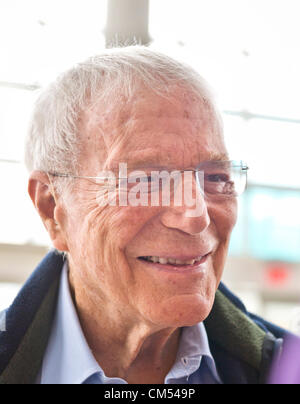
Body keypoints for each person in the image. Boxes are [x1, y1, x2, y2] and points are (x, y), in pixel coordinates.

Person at [0, 47, 292, 384]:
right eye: (146, 180)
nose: (195, 216)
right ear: (52, 208)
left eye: (215, 177)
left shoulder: (286, 369)